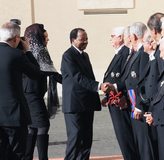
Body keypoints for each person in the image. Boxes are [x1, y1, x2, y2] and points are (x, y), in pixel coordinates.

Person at [61, 28, 110, 160]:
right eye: (82, 39)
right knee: (75, 137)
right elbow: (78, 78)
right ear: (73, 40)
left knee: (87, 138)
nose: (86, 42)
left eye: (87, 39)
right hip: (74, 104)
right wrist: (99, 86)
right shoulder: (68, 56)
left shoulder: (84, 55)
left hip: (86, 103)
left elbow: (89, 76)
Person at [0, 22, 41, 160]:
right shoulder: (16, 54)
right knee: (17, 154)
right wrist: (27, 51)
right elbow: (35, 73)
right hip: (14, 116)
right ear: (17, 38)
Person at [23, 23, 62, 160]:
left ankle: (27, 157)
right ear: (38, 37)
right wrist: (69, 81)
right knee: (43, 125)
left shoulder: (28, 50)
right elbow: (51, 73)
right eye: (45, 36)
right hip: (32, 94)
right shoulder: (39, 51)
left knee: (32, 127)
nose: (48, 39)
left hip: (30, 93)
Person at [101, 27, 139, 160]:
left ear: (121, 37)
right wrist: (106, 96)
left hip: (120, 101)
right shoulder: (119, 53)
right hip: (113, 100)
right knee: (122, 137)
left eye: (113, 36)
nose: (110, 39)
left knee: (125, 137)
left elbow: (124, 79)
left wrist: (116, 91)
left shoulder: (125, 53)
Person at [121, 22, 154, 160]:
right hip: (135, 105)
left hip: (140, 107)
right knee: (140, 144)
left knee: (145, 146)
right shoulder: (137, 53)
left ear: (133, 36)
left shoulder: (143, 54)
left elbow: (143, 83)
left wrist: (139, 107)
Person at [136, 31, 159, 159]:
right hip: (149, 108)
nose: (142, 44)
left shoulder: (156, 60)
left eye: (144, 42)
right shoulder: (151, 59)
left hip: (153, 108)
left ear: (150, 44)